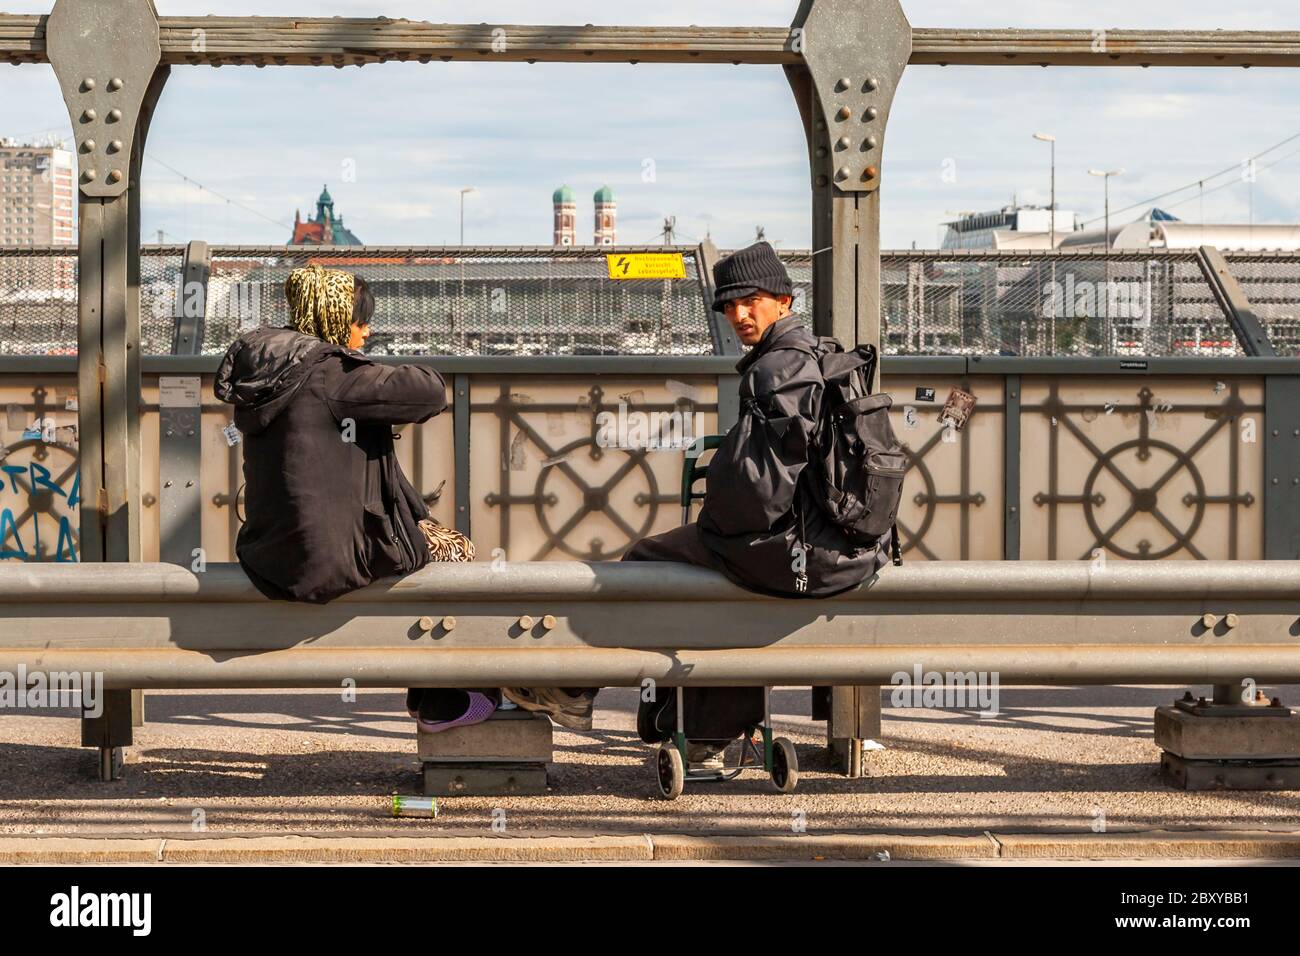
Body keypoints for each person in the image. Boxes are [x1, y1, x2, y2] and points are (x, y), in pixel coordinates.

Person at [213, 264, 522, 733]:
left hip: (267, 556)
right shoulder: (335, 377)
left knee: (428, 538)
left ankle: (436, 695)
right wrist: (359, 364)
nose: (367, 330)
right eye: (361, 320)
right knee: (457, 549)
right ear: (337, 318)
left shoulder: (269, 375)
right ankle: (444, 700)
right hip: (332, 560)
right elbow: (431, 390)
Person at [624, 241, 896, 763]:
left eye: (751, 300)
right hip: (854, 550)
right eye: (729, 305)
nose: (739, 314)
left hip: (806, 556)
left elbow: (760, 494)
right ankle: (704, 722)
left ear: (784, 301)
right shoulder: (820, 353)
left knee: (646, 560)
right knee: (723, 579)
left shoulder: (777, 368)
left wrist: (713, 529)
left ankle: (582, 693)